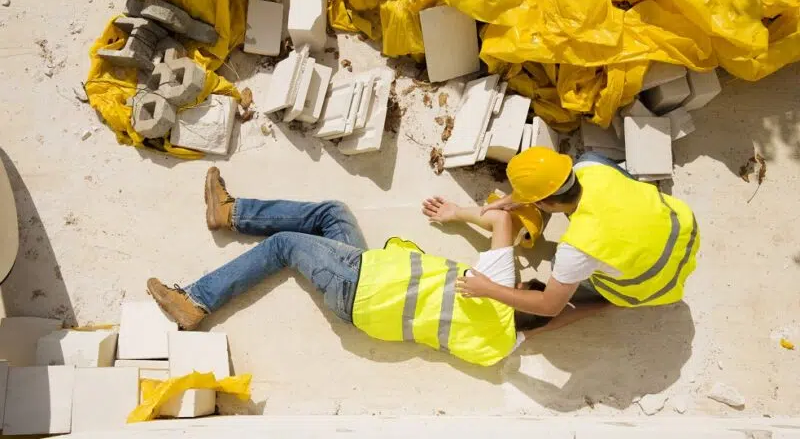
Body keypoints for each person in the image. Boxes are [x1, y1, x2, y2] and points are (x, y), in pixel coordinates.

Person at [146, 167, 602, 367]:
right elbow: (552, 316)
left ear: (526, 285)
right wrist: (614, 306)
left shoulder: (497, 280)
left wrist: (458, 212)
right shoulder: (499, 347)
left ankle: (196, 301)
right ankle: (230, 213)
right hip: (366, 301)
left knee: (285, 244)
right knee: (333, 214)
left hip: (360, 281)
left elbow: (501, 218)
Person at [457, 147, 700, 316]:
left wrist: (487, 289)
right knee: (595, 157)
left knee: (559, 267)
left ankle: (606, 300)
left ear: (543, 204)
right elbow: (553, 185)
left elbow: (548, 306)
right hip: (683, 232)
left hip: (652, 285)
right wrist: (512, 200)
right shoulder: (591, 167)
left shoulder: (577, 248)